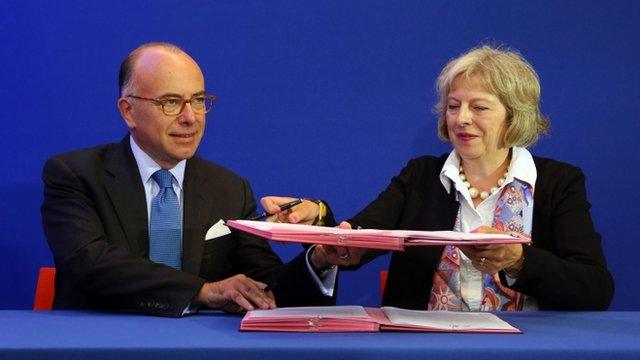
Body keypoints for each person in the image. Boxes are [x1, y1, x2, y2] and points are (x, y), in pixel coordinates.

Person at [265, 45, 614, 311]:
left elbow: (595, 288)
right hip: (424, 350)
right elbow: (360, 235)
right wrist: (322, 222)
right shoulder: (421, 177)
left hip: (527, 351)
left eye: (478, 107)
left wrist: (519, 261)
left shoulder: (557, 182)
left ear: (513, 116)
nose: (461, 118)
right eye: (452, 105)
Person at [41, 42, 335, 317]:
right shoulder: (75, 174)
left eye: (198, 100)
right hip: (98, 342)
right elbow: (91, 263)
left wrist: (319, 258)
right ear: (128, 110)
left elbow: (266, 288)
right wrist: (202, 291)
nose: (190, 117)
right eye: (171, 102)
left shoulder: (229, 188)